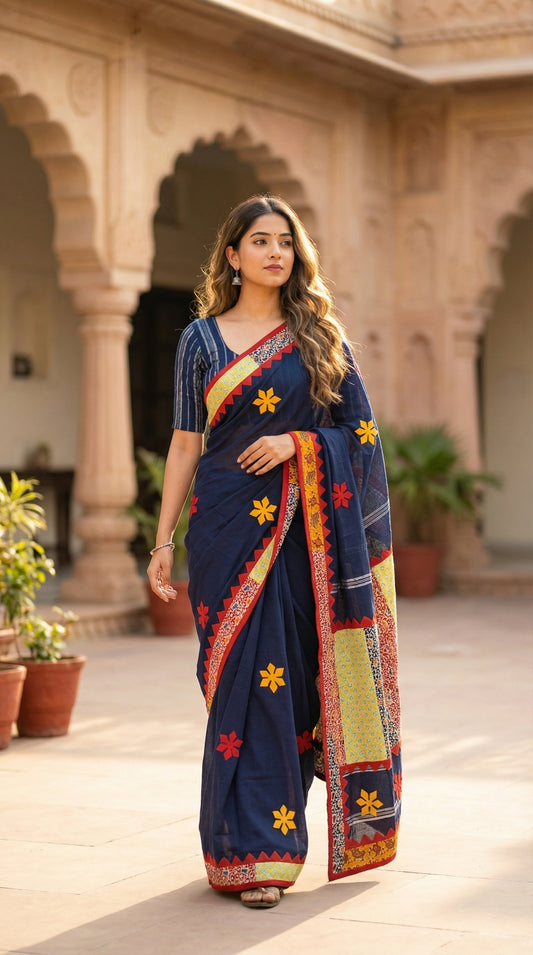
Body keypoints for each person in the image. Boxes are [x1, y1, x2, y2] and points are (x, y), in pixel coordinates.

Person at [147, 195, 401, 909]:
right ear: (231, 255)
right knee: (238, 682)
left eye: (284, 241)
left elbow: (359, 436)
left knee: (286, 681)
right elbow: (185, 443)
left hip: (303, 539)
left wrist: (297, 442)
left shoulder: (318, 336)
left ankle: (269, 853)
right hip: (225, 529)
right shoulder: (199, 340)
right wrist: (164, 540)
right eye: (258, 240)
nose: (274, 252)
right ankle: (236, 847)